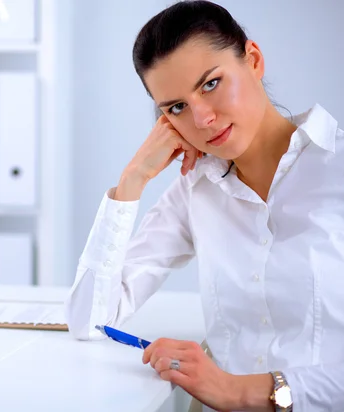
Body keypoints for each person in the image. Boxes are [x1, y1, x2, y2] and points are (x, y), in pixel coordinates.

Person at [64, 1, 344, 411]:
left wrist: (241, 391)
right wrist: (134, 178)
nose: (202, 119)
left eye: (211, 83)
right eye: (176, 107)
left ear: (253, 60)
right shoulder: (197, 190)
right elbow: (89, 320)